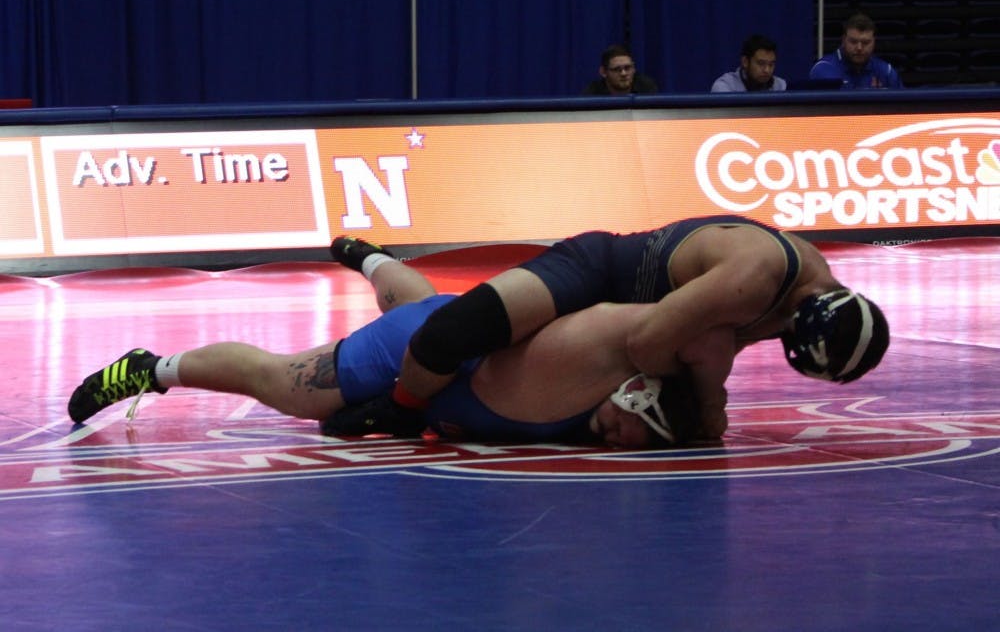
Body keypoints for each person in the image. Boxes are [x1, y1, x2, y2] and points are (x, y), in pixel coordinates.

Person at [66, 242, 709, 449]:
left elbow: (715, 415)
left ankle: (373, 259)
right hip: (426, 349)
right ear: (638, 390)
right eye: (636, 431)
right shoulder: (616, 340)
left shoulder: (631, 401)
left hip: (451, 336)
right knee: (288, 387)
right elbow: (697, 322)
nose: (624, 445)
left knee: (423, 302)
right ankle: (152, 369)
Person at [332, 215, 890, 438]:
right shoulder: (758, 276)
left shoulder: (813, 301)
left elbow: (703, 341)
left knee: (424, 316)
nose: (781, 337)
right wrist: (708, 402)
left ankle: (377, 262)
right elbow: (652, 344)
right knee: (450, 333)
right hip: (596, 272)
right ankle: (401, 410)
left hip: (629, 321)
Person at [809, 12, 903, 90]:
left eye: (865, 42)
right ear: (843, 40)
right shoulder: (824, 69)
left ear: (874, 42)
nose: (859, 48)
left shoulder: (886, 72)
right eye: (853, 42)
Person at [711, 34, 787, 92]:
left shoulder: (780, 86)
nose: (767, 70)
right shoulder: (725, 86)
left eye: (771, 64)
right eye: (761, 63)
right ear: (745, 62)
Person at [581, 44, 658, 96]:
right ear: (603, 72)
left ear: (634, 68)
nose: (623, 73)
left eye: (627, 68)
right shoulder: (592, 94)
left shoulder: (646, 88)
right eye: (617, 69)